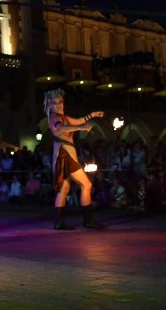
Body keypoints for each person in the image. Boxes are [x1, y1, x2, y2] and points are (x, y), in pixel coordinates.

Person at [44, 88, 105, 230]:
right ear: (49, 104)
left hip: (65, 157)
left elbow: (77, 121)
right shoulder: (55, 118)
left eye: (60, 102)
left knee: (63, 189)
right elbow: (61, 128)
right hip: (65, 157)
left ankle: (59, 222)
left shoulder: (63, 117)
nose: (58, 105)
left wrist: (92, 115)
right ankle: (88, 220)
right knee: (86, 185)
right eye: (54, 103)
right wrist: (83, 128)